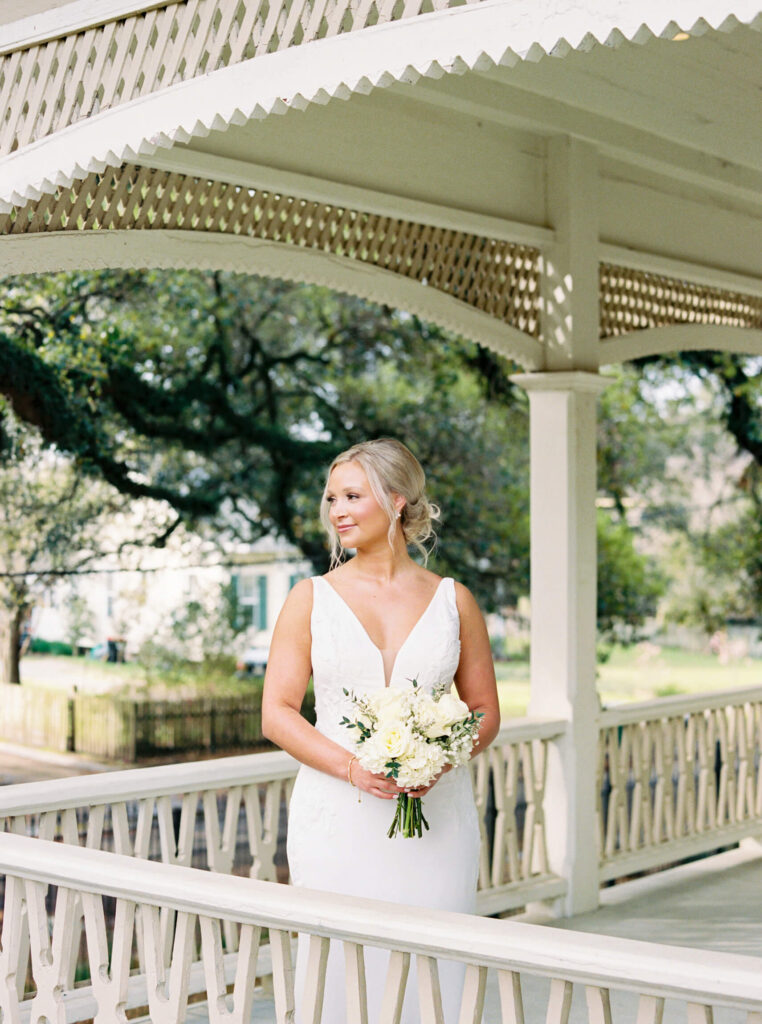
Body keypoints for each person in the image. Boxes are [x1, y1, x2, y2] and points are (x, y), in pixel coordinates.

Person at [262, 438, 500, 1023]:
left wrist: (438, 761)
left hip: (435, 819)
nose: (336, 510)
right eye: (331, 497)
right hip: (336, 818)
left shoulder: (454, 600)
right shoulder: (310, 598)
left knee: (436, 971)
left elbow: (484, 710)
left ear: (396, 501)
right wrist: (350, 768)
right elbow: (277, 712)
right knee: (341, 974)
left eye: (352, 495)